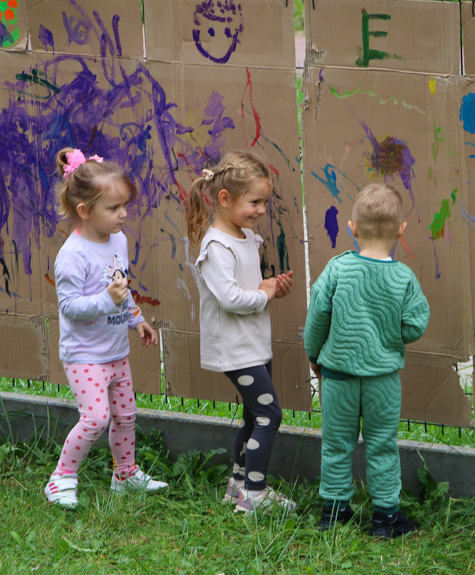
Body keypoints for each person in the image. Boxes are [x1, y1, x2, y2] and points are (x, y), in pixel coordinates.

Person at [303, 183, 430, 538]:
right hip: (383, 379)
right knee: (382, 446)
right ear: (401, 229)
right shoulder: (403, 277)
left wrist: (315, 356)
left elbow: (317, 319)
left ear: (352, 228)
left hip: (338, 377)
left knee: (337, 444)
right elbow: (416, 323)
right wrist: (390, 334)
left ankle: (334, 512)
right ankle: (386, 518)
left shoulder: (337, 270)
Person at [45, 148, 168, 508]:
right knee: (96, 417)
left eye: (124, 205)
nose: (123, 214)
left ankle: (125, 474)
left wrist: (137, 319)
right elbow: (69, 308)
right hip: (84, 356)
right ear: (85, 211)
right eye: (113, 208)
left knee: (126, 416)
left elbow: (120, 286)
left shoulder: (118, 241)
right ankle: (61, 478)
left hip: (116, 352)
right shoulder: (73, 256)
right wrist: (108, 300)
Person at [187, 150, 296, 514]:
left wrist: (268, 285)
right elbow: (231, 298)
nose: (262, 210)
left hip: (251, 345)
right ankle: (255, 493)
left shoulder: (244, 236)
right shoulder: (217, 246)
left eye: (264, 201)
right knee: (270, 416)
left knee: (253, 416)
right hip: (235, 349)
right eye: (255, 202)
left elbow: (245, 287)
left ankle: (237, 483)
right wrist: (263, 293)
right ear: (224, 198)